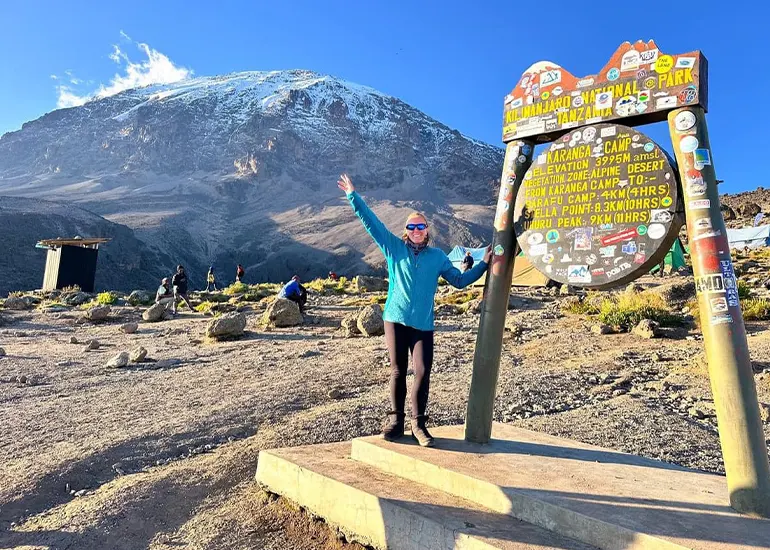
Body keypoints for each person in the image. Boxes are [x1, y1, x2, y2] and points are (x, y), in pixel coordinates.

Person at [338, 173, 490, 447]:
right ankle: (396, 421)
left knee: (422, 371)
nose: (417, 230)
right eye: (412, 226)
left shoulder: (438, 257)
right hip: (395, 319)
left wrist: (483, 265)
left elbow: (459, 281)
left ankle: (418, 424)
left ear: (427, 230)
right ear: (406, 230)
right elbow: (372, 224)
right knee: (398, 370)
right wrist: (353, 196)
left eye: (421, 226)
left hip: (422, 324)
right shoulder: (393, 248)